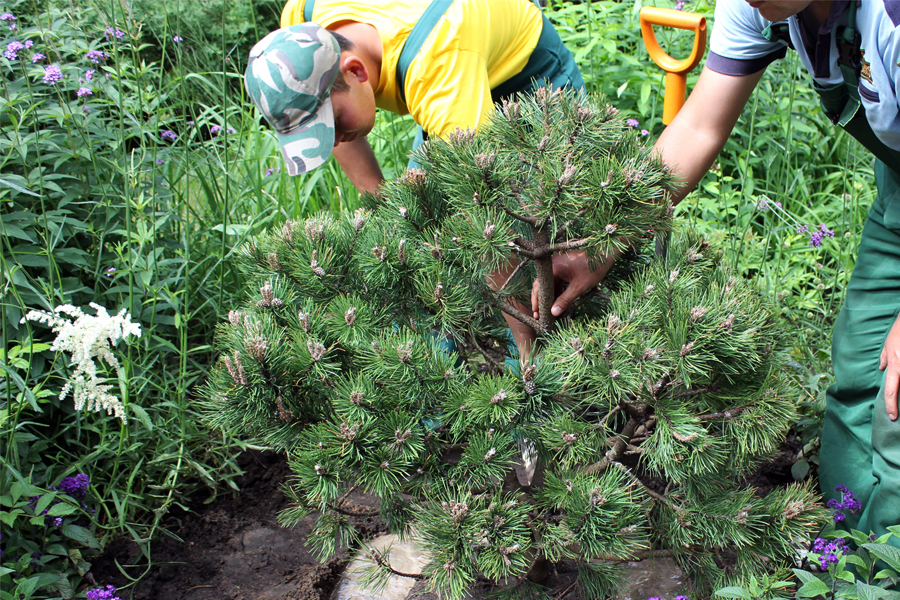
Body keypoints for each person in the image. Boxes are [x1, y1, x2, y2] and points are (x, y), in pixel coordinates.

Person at [535, 0, 900, 541]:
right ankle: (847, 558)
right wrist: (606, 240)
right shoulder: (760, 5)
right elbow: (701, 126)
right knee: (860, 371)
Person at [244, 0, 584, 358]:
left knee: (539, 250)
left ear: (356, 71)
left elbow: (486, 217)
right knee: (418, 242)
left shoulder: (437, 71)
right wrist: (390, 218)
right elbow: (381, 192)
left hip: (531, 82)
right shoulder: (302, 20)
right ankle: (434, 371)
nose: (332, 139)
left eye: (332, 124)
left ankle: (549, 360)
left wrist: (530, 358)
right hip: (454, 78)